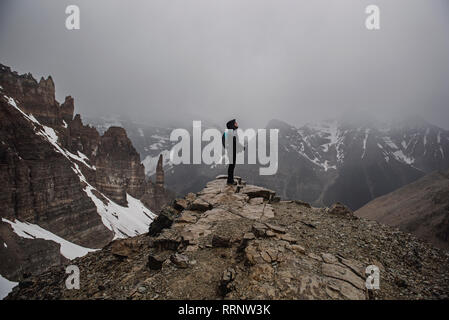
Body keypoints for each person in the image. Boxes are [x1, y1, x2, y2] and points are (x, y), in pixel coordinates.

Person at [222, 119, 245, 185]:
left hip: (231, 151)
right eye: (235, 123)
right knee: (232, 166)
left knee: (232, 165)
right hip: (231, 152)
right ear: (232, 125)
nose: (236, 124)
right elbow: (235, 143)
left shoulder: (230, 132)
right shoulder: (230, 133)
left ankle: (230, 180)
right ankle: (230, 181)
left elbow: (235, 143)